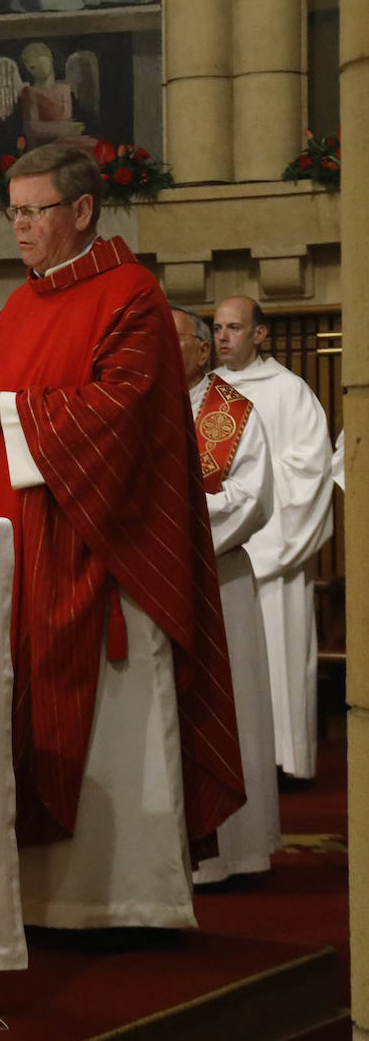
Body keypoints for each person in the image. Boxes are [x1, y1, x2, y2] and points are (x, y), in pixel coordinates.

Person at [0, 143, 244, 929]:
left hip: (107, 554)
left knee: (116, 728)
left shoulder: (131, 296)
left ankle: (129, 904)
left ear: (80, 212)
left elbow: (125, 411)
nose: (19, 228)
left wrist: (5, 410)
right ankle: (39, 905)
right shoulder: (19, 305)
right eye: (11, 212)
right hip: (29, 555)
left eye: (34, 211)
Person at [175, 305, 281, 883]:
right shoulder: (140, 407)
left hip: (218, 579)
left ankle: (235, 852)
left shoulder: (232, 414)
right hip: (157, 582)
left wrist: (175, 525)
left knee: (226, 703)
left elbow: (251, 496)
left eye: (171, 342)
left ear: (201, 349)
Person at [212, 295, 334, 781]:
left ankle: (285, 762)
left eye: (234, 327)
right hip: (223, 550)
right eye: (217, 327)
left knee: (279, 659)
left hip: (272, 553)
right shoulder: (206, 394)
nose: (223, 336)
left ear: (260, 334)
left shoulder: (290, 391)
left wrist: (250, 502)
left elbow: (310, 469)